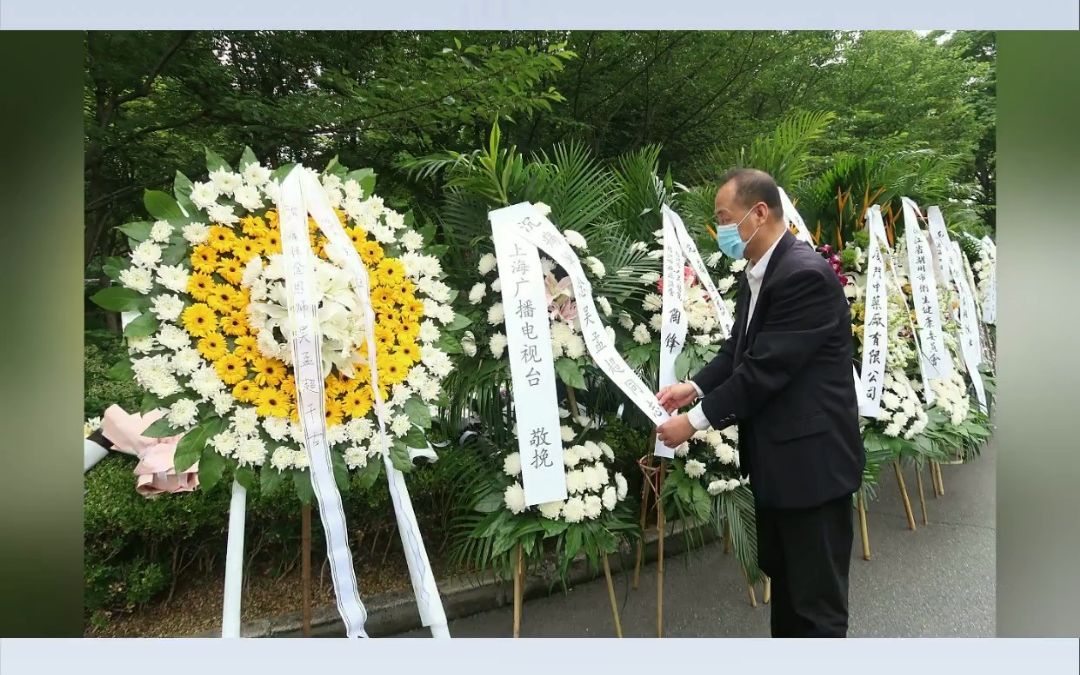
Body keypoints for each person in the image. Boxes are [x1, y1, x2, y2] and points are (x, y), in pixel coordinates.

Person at [654, 168, 865, 638]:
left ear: (759, 212)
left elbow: (764, 371)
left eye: (723, 218)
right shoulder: (762, 270)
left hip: (813, 469)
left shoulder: (801, 275)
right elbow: (740, 348)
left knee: (816, 607)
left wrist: (693, 422)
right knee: (788, 593)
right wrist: (696, 387)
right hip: (782, 465)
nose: (720, 230)